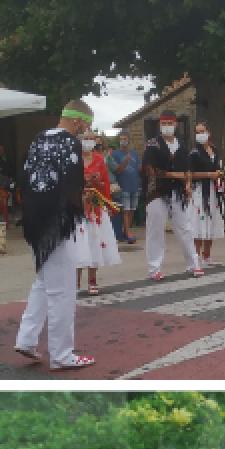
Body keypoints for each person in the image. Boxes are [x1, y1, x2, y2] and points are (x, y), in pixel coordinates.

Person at [13, 99, 96, 370]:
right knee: (62, 290)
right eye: (87, 124)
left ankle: (26, 338)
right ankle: (62, 354)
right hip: (57, 223)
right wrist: (79, 204)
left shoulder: (38, 139)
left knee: (43, 281)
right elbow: (71, 185)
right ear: (78, 120)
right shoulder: (69, 143)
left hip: (35, 221)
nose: (86, 130)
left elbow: (25, 176)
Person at [142, 110, 202, 280]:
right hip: (157, 191)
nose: (167, 127)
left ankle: (193, 264)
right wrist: (174, 175)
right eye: (164, 124)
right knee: (155, 229)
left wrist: (188, 184)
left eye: (170, 123)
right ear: (160, 125)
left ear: (175, 124)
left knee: (185, 228)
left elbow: (188, 169)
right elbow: (150, 170)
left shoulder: (182, 145)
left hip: (178, 192)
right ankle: (154, 269)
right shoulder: (153, 144)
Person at [74, 128, 122, 296]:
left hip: (95, 205)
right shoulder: (74, 160)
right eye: (85, 138)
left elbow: (105, 183)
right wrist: (83, 182)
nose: (88, 141)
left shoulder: (100, 160)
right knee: (78, 243)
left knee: (94, 241)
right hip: (78, 206)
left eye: (91, 138)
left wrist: (98, 184)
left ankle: (92, 280)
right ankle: (75, 282)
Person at [188, 122, 225, 267]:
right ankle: (196, 256)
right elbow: (190, 174)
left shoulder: (215, 150)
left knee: (211, 221)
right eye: (197, 132)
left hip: (214, 190)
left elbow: (219, 167)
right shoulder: (194, 153)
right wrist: (209, 174)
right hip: (199, 190)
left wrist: (220, 174)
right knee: (198, 222)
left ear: (208, 132)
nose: (200, 134)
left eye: (202, 131)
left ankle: (207, 255)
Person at [106, 133, 141, 243]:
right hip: (123, 186)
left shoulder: (134, 154)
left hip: (134, 186)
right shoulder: (115, 154)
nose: (123, 141)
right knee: (125, 210)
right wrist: (125, 161)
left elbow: (139, 168)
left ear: (129, 140)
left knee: (132, 210)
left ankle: (127, 230)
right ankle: (127, 232)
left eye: (125, 138)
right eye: (121, 139)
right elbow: (116, 170)